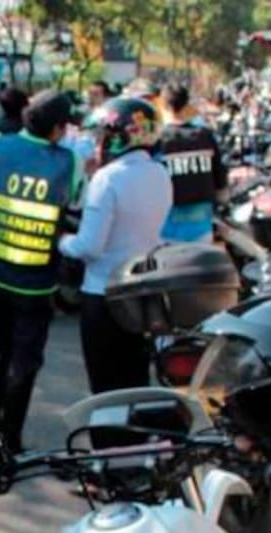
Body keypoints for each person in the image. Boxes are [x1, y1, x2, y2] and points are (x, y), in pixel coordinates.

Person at [0, 91, 82, 452]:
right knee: (25, 360)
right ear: (57, 129)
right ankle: (10, 438)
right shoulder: (69, 162)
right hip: (36, 282)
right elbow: (75, 205)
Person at [60, 97, 172, 395]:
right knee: (134, 383)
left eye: (104, 137)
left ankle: (108, 429)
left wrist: (62, 242)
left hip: (103, 294)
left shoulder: (107, 179)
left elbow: (89, 247)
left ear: (122, 137)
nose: (99, 144)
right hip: (142, 292)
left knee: (105, 388)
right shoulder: (160, 174)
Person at [158, 83, 228, 243]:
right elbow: (220, 178)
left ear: (163, 104)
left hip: (167, 226)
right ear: (186, 104)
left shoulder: (158, 140)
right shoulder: (204, 135)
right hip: (201, 224)